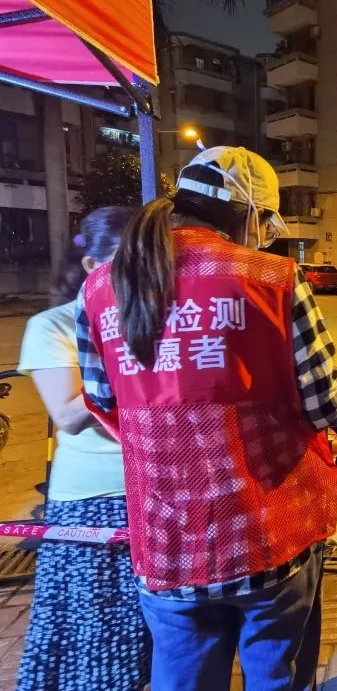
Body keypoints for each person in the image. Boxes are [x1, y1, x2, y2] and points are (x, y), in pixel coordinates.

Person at [77, 147, 337, 691]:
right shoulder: (274, 278)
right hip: (268, 534)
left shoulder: (99, 288)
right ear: (249, 214)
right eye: (265, 223)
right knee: (277, 677)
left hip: (166, 543)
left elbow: (103, 401)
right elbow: (326, 406)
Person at [16, 207, 150, 691]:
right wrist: (129, 363)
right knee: (96, 636)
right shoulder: (52, 326)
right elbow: (69, 415)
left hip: (153, 491)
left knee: (154, 635)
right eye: (128, 262)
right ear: (93, 266)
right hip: (92, 502)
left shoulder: (152, 320)